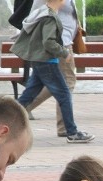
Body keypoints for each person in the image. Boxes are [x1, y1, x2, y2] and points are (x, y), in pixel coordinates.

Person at [11, 0, 94, 143]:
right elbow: (48, 42)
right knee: (64, 91)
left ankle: (5, 119)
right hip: (51, 55)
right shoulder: (50, 17)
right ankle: (71, 132)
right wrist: (64, 52)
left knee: (30, 94)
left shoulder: (49, 14)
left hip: (44, 57)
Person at [24, 0, 81, 138]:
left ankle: (12, 113)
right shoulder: (49, 15)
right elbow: (37, 16)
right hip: (58, 47)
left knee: (43, 88)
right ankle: (68, 129)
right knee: (65, 87)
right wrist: (64, 52)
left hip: (61, 44)